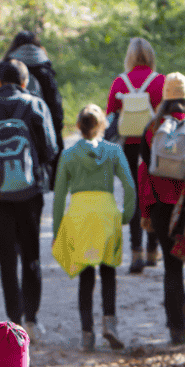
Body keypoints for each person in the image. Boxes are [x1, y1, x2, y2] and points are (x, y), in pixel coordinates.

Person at [0, 59, 59, 342]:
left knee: (7, 260)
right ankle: (32, 320)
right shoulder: (35, 106)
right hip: (31, 194)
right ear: (24, 83)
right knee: (31, 257)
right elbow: (50, 150)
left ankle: (14, 322)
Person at [52, 104, 136, 351]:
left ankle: (86, 333)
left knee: (85, 275)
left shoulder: (68, 156)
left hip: (79, 216)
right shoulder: (114, 152)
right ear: (102, 126)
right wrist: (125, 216)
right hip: (106, 214)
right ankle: (110, 323)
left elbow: (58, 198)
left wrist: (58, 231)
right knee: (108, 272)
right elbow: (130, 187)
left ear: (78, 126)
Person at [138, 72, 185, 343]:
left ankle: (176, 328)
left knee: (171, 267)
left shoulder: (151, 129)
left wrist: (145, 212)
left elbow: (144, 174)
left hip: (161, 209)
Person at [105, 37, 165, 274]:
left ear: (129, 57)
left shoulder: (120, 82)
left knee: (133, 195)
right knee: (153, 194)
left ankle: (136, 251)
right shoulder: (160, 81)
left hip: (127, 145)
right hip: (153, 144)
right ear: (151, 57)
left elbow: (110, 114)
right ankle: (153, 249)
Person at [0, 31, 65, 189]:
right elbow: (56, 112)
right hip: (34, 138)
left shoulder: (1, 71)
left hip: (2, 139)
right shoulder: (44, 71)